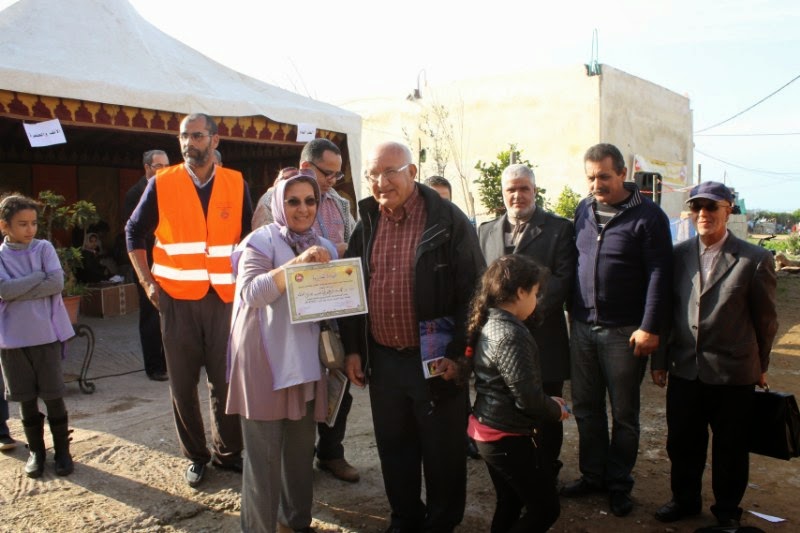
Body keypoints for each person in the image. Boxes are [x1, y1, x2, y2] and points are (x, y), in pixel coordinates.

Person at [341, 141, 485, 532]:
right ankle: (405, 518)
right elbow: (352, 292)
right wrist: (353, 349)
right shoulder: (367, 223)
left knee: (443, 451)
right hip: (385, 360)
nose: (381, 182)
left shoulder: (447, 221)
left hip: (437, 358)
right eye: (373, 175)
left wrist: (460, 354)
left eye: (389, 172)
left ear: (412, 172)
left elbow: (475, 293)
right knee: (394, 448)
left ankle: (441, 523)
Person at [126, 112, 250, 487]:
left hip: (223, 300)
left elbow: (249, 240)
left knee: (225, 382)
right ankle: (196, 456)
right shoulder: (162, 182)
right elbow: (133, 231)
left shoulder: (236, 183)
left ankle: (228, 453)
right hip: (176, 301)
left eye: (196, 136)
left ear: (214, 140)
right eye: (183, 136)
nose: (188, 143)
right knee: (182, 385)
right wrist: (147, 282)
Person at [651, 181, 778, 529]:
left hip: (733, 372)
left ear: (728, 210)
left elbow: (766, 321)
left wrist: (761, 365)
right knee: (682, 442)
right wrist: (660, 361)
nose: (703, 214)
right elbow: (665, 312)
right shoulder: (677, 256)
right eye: (697, 207)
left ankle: (727, 510)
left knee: (731, 447)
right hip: (685, 369)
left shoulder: (754, 259)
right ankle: (685, 500)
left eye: (711, 207)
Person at [562, 143, 672, 517]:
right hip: (582, 327)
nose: (597, 184)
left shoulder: (649, 217)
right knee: (586, 408)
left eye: (604, 177)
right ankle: (593, 475)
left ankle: (619, 482)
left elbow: (660, 274)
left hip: (625, 332)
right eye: (591, 177)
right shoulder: (584, 209)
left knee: (624, 414)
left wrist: (649, 326)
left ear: (623, 173)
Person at [227, 172, 336, 533]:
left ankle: (295, 523)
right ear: (278, 204)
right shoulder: (260, 241)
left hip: (306, 362)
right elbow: (252, 293)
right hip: (265, 362)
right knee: (264, 458)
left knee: (300, 454)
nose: (303, 209)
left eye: (310, 200)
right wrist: (297, 264)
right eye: (293, 201)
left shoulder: (325, 245)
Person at [254, 138, 358, 483]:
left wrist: (335, 250)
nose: (332, 180)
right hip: (288, 319)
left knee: (337, 383)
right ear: (305, 167)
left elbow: (353, 244)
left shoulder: (340, 204)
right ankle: (296, 460)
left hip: (331, 309)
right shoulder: (272, 200)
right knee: (297, 391)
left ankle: (331, 452)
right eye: (326, 173)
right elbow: (262, 256)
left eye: (337, 174)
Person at [478, 164, 576, 477]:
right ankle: (513, 471)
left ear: (534, 190)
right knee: (507, 407)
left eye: (524, 188)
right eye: (511, 189)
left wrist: (525, 313)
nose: (517, 195)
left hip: (544, 339)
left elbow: (563, 279)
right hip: (497, 343)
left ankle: (547, 471)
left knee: (546, 408)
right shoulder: (485, 231)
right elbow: (481, 283)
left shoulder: (559, 229)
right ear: (503, 193)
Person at [466, 254, 571, 532]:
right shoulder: (511, 334)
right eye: (535, 293)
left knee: (510, 502)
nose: (537, 300)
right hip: (506, 436)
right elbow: (528, 399)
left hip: (490, 429)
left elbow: (512, 387)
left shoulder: (491, 321)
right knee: (546, 508)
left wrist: (548, 401)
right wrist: (556, 410)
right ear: (521, 292)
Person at [0, 193, 75, 478]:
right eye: (22, 224)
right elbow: (4, 291)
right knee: (26, 399)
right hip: (13, 341)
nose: (30, 229)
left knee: (54, 396)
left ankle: (63, 451)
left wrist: (17, 289)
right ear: (4, 226)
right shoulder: (1, 256)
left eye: (33, 223)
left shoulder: (44, 248)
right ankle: (36, 452)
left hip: (46, 336)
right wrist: (36, 278)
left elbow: (56, 282)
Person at [123, 149, 170, 382]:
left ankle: (169, 361)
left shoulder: (170, 188)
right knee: (150, 316)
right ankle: (154, 366)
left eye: (166, 166)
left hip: (169, 263)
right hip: (147, 262)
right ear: (147, 168)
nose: (163, 170)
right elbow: (134, 233)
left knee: (170, 315)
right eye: (159, 166)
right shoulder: (136, 193)